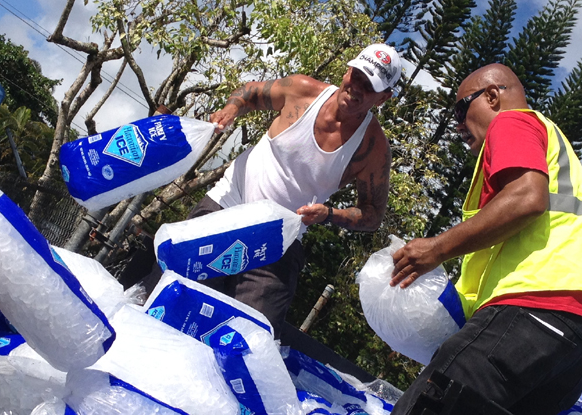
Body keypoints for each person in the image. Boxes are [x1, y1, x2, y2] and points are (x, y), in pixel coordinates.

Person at [270, 63, 582, 415]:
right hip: (581, 337)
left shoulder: (514, 124)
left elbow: (525, 199)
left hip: (532, 309)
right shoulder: (557, 145)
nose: (460, 126)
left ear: (495, 96)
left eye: (462, 108)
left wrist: (437, 247)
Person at [146, 43, 401, 334]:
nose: (356, 88)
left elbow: (372, 215)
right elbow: (250, 92)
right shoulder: (303, 91)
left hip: (277, 240)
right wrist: (231, 108)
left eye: (369, 86)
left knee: (250, 337)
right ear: (347, 69)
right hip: (228, 203)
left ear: (384, 97)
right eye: (356, 76)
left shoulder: (373, 148)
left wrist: (329, 214)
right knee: (168, 293)